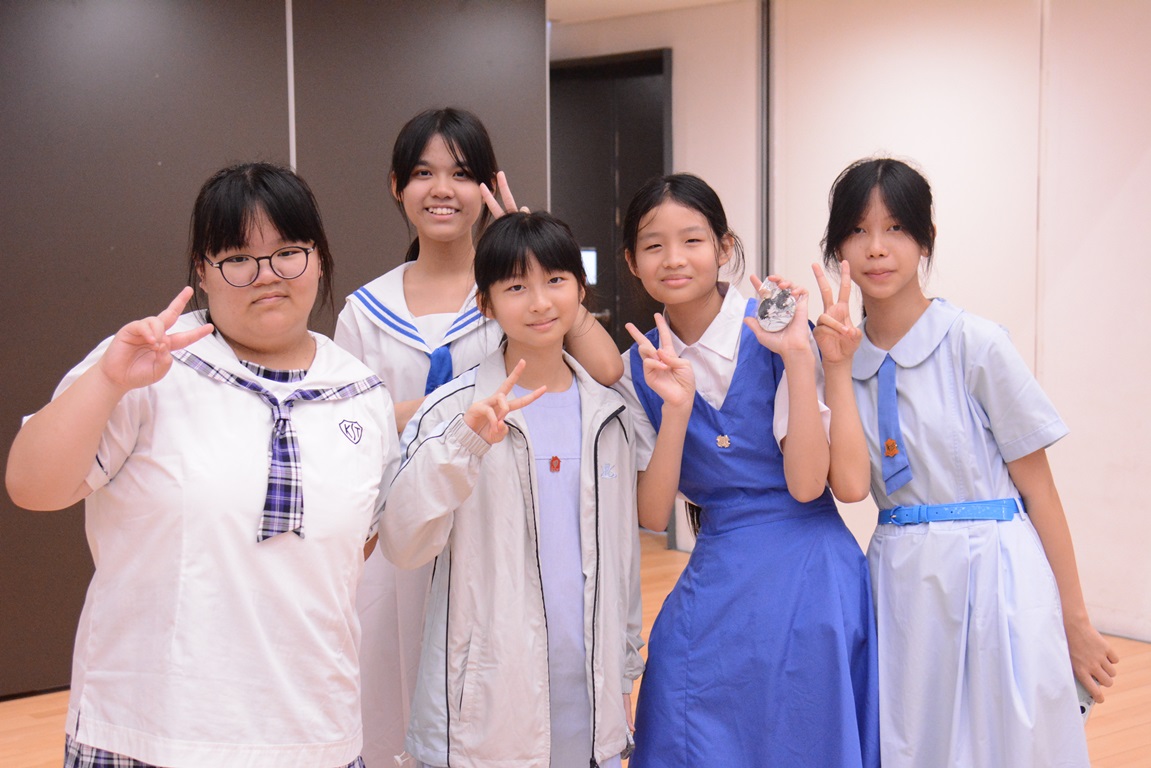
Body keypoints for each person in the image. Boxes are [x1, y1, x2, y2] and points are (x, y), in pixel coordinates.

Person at [5, 162, 399, 768]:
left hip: (314, 736)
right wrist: (108, 381)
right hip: (147, 733)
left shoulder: (362, 395)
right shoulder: (150, 365)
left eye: (288, 253)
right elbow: (31, 486)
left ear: (318, 258)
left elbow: (352, 552)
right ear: (202, 270)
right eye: (239, 258)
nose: (267, 276)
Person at [334, 107, 623, 766]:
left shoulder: (512, 292)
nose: (442, 189)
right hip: (399, 534)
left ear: (486, 187)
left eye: (462, 174)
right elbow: (345, 432)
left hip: (495, 533)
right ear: (396, 186)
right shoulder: (365, 311)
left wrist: (528, 244)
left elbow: (606, 369)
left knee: (495, 706)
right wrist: (441, 414)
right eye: (423, 174)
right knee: (392, 707)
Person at [821, 157, 1119, 767]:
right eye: (857, 230)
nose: (876, 248)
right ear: (836, 246)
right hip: (900, 580)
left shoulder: (974, 343)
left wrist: (1076, 621)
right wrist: (834, 364)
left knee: (1009, 746)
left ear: (926, 239)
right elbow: (847, 485)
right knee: (913, 744)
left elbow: (1041, 492)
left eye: (896, 228)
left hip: (996, 572)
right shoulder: (839, 360)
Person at [616, 173, 879, 767]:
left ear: (724, 248)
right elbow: (652, 515)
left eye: (692, 240)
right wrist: (676, 409)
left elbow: (808, 486)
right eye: (654, 245)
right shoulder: (638, 366)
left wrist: (798, 358)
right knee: (675, 697)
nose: (674, 258)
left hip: (811, 567)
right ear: (632, 261)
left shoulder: (777, 328)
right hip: (720, 564)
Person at [379, 211, 643, 768]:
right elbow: (402, 542)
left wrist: (623, 674)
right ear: (487, 303)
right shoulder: (452, 410)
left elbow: (624, 561)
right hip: (487, 704)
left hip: (588, 697)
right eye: (516, 287)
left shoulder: (609, 415)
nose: (540, 302)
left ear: (580, 290)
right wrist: (464, 444)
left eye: (555, 280)